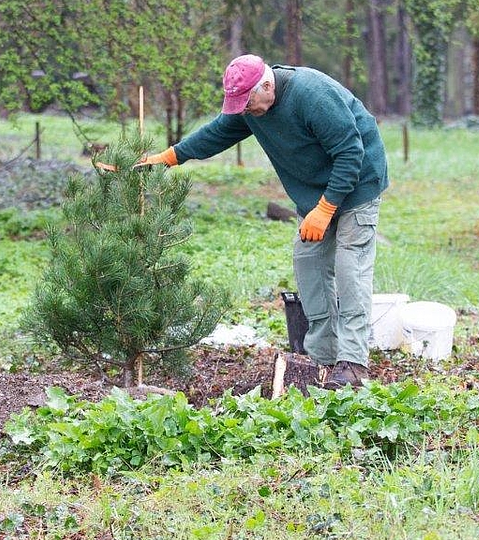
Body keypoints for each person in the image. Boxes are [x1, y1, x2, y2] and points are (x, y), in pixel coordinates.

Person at [139, 55, 388, 389]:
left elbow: (350, 153)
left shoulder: (311, 94)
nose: (245, 110)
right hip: (315, 194)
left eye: (248, 103)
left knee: (349, 271)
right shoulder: (252, 109)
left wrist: (327, 208)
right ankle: (325, 359)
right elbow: (217, 133)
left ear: (267, 86)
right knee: (308, 265)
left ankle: (354, 365)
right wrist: (170, 157)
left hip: (357, 184)